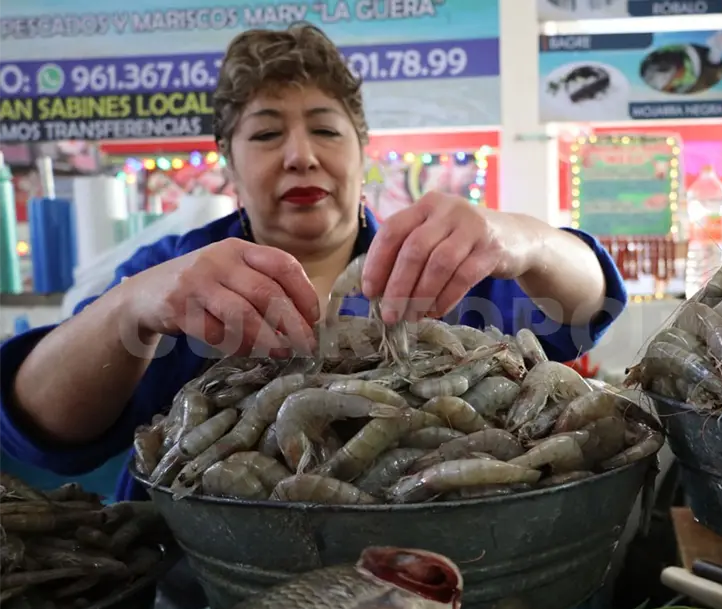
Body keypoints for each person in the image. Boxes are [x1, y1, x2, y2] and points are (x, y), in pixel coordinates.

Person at [0, 23, 627, 502]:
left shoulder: (442, 258)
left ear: (363, 151)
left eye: (325, 130)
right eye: (267, 134)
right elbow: (41, 431)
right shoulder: (170, 272)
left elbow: (581, 312)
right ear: (228, 163)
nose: (300, 156)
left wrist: (530, 238)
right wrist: (127, 308)